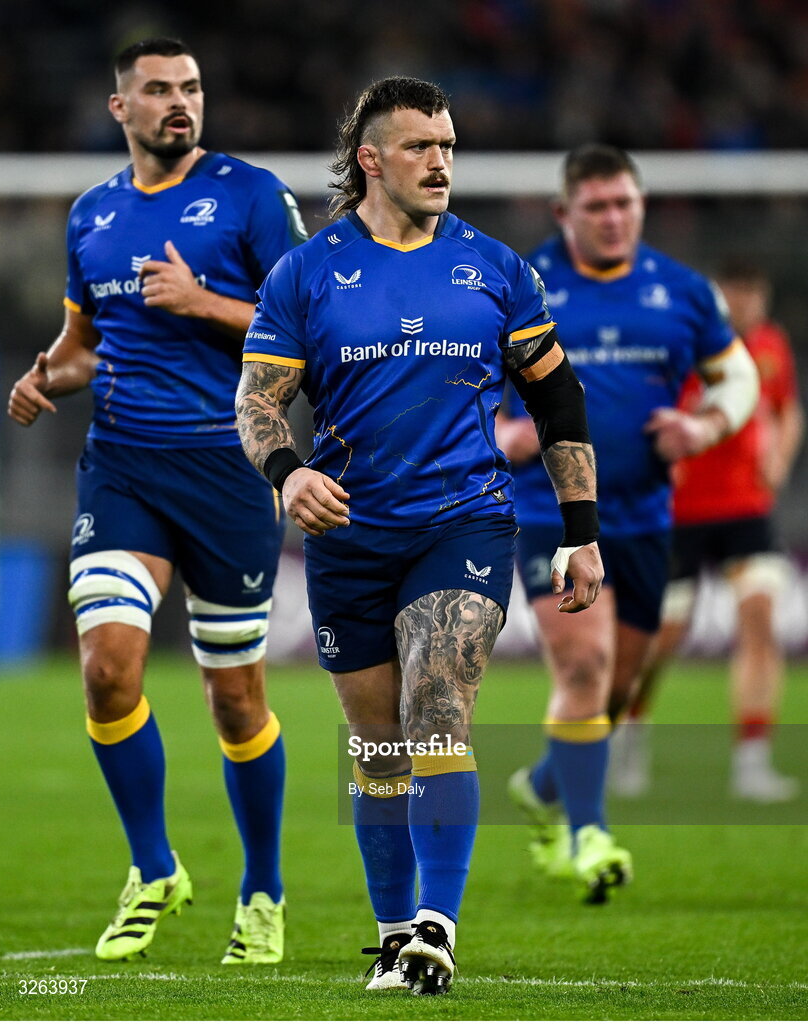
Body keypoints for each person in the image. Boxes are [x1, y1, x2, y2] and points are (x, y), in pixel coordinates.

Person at [235, 76, 603, 995]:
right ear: (370, 160)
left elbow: (557, 399)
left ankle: (438, 925)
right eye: (420, 147)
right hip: (351, 532)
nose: (441, 161)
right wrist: (291, 473)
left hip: (464, 521)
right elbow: (257, 403)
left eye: (447, 144)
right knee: (375, 744)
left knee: (436, 706)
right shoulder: (307, 273)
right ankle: (396, 934)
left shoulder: (497, 269)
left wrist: (581, 530)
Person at [7, 38, 308, 964]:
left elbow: (310, 324)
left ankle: (262, 889)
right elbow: (88, 341)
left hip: (227, 468)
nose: (180, 103)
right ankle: (153, 867)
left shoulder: (253, 196)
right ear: (119, 108)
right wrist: (48, 377)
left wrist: (203, 301)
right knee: (105, 669)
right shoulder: (91, 215)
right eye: (159, 91)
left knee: (236, 702)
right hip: (123, 467)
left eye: (191, 88)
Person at [497, 145, 760, 899]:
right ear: (564, 214)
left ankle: (546, 786)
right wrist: (500, 434)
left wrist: (705, 427)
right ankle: (590, 834)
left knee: (613, 693)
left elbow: (734, 374)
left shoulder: (681, 291)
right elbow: (459, 381)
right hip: (549, 512)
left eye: (626, 205)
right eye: (598, 207)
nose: (614, 220)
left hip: (645, 518)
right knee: (582, 667)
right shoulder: (523, 288)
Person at [613, 259, 804, 802]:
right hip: (680, 514)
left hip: (747, 509)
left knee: (760, 617)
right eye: (737, 295)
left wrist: (781, 457)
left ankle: (752, 758)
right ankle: (630, 728)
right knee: (660, 638)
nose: (747, 307)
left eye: (755, 295)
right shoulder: (681, 349)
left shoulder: (770, 346)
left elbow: (788, 410)